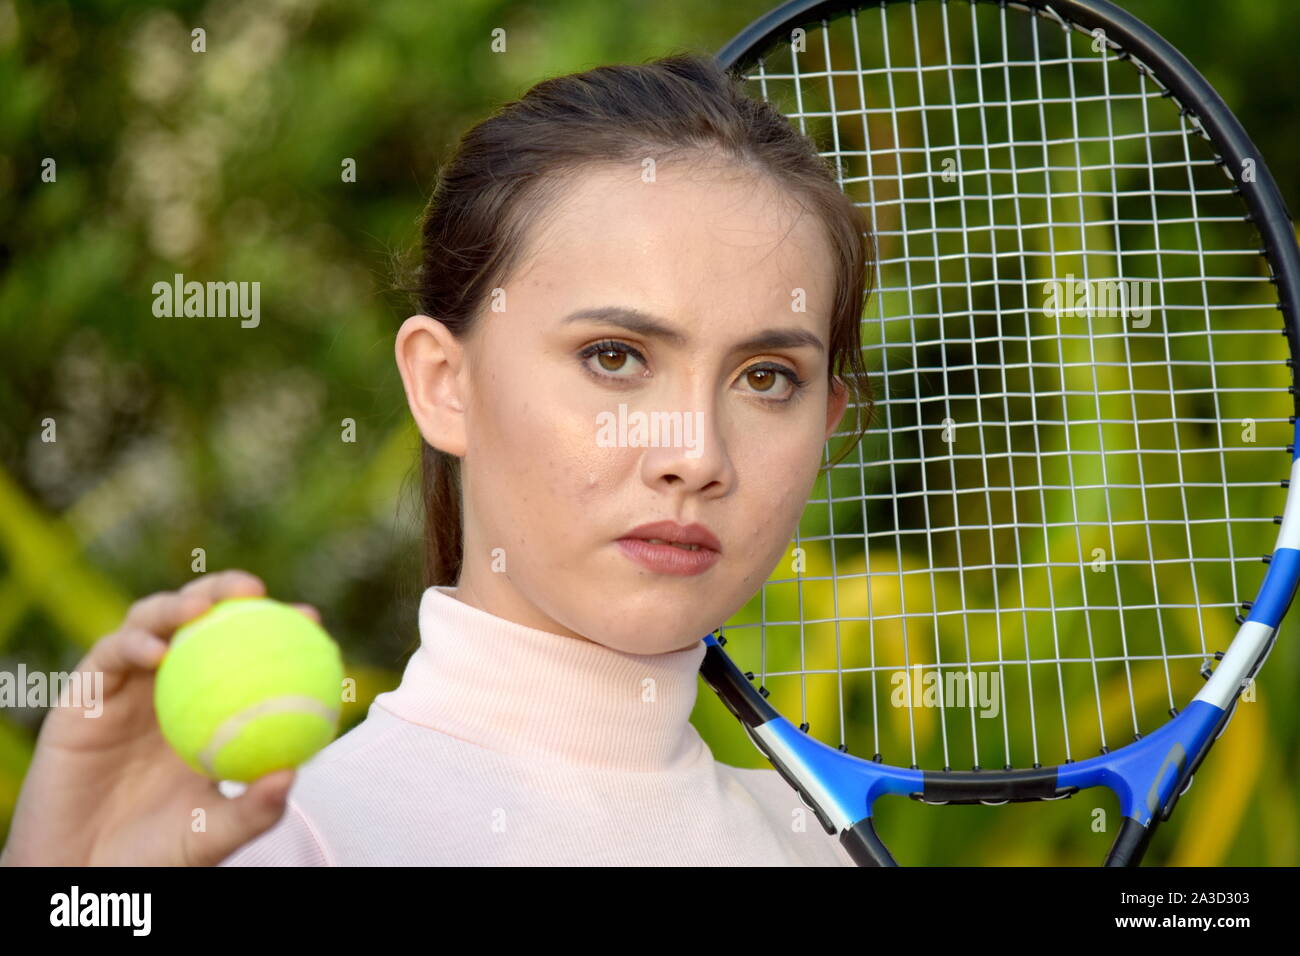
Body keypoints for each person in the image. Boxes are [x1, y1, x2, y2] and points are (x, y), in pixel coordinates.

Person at [0, 52, 874, 866]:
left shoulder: (818, 845)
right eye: (614, 356)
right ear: (444, 384)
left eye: (767, 377)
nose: (695, 454)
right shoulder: (279, 843)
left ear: (826, 421)